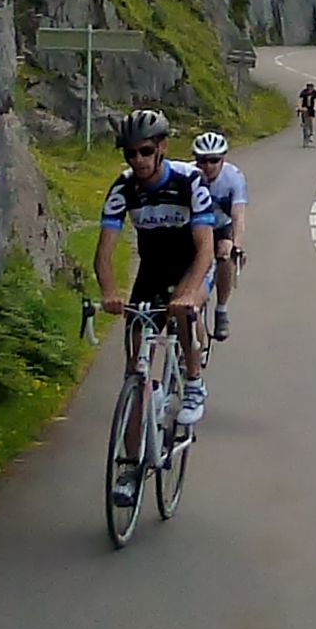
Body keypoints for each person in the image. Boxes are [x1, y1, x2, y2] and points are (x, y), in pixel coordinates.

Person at [95, 111, 217, 489]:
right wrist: (110, 293)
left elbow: (205, 249)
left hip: (191, 264)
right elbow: (103, 253)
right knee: (135, 372)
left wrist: (188, 292)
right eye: (130, 154)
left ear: (162, 148)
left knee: (184, 309)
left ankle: (193, 381)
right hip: (151, 272)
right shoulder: (124, 188)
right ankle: (130, 467)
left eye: (145, 151)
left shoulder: (189, 180)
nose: (138, 161)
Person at [190, 130, 249, 342]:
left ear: (223, 159)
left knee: (225, 253)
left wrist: (237, 245)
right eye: (202, 160)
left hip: (221, 226)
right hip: (195, 226)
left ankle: (221, 309)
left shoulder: (233, 178)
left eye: (214, 160)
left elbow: (238, 215)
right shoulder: (189, 175)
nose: (208, 166)